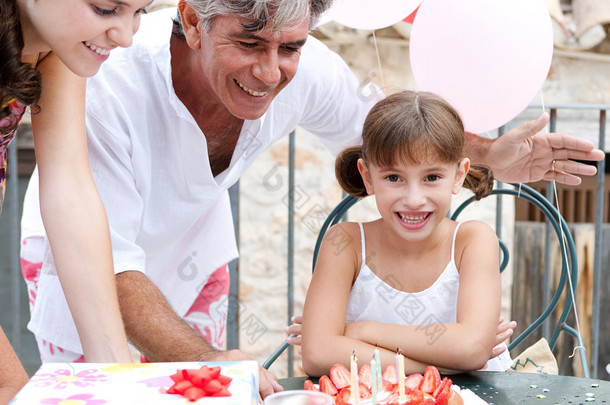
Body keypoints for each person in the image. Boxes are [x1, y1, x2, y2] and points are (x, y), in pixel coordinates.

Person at [19, 0, 603, 398]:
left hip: (195, 260)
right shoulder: (107, 75)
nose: (271, 72)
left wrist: (486, 154)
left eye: (289, 48)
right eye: (249, 43)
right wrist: (206, 357)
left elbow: (386, 133)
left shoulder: (306, 69)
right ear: (193, 22)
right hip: (85, 269)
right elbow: (107, 257)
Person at [301, 90, 512, 376]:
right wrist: (441, 364)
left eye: (432, 177)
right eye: (393, 178)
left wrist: (362, 331)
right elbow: (318, 353)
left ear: (459, 175)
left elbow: (472, 348)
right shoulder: (347, 243)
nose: (414, 199)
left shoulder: (472, 240)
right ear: (367, 176)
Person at [2, 0, 157, 376]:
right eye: (106, 9)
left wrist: (115, 372)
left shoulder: (54, 44)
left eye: (140, 12)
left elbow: (69, 187)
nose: (125, 37)